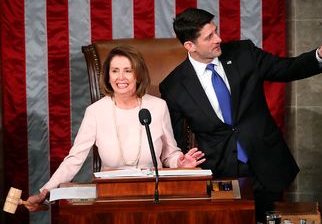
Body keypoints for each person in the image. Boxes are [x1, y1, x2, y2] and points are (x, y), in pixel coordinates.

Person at [159, 7, 322, 223]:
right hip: (220, 172)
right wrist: (186, 171)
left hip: (264, 161)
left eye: (216, 31)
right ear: (190, 46)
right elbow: (176, 141)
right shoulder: (174, 86)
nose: (219, 38)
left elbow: (285, 69)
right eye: (209, 36)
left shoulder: (243, 53)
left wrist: (320, 55)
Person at [25, 45, 206, 211]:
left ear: (138, 75)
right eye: (115, 71)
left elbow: (169, 153)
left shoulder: (158, 107)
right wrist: (45, 191)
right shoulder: (95, 111)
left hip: (153, 195)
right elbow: (74, 159)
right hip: (110, 196)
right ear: (108, 76)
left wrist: (180, 163)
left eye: (128, 71)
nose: (121, 77)